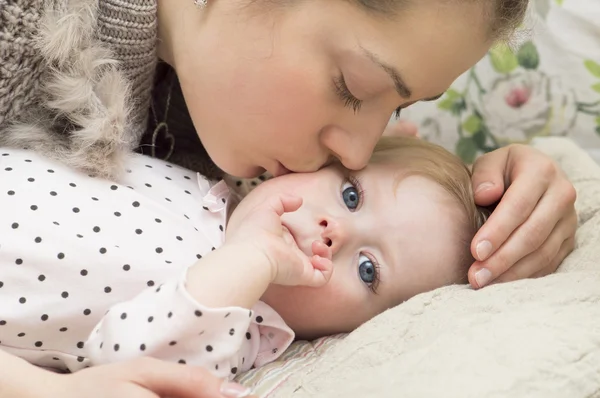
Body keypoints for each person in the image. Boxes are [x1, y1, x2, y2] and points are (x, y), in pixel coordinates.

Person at [0, 0, 577, 397]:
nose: (358, 153)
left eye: (397, 110)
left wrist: (493, 188)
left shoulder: (227, 152)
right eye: (355, 89)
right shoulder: (23, 33)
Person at [0, 137, 488, 384]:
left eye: (368, 270)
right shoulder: (206, 180)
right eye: (351, 195)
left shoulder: (234, 333)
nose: (334, 230)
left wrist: (252, 258)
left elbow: (122, 363)